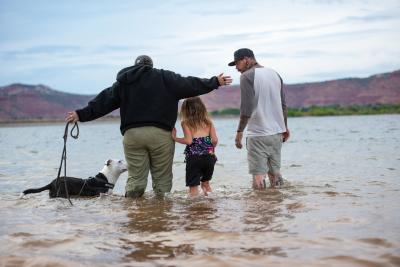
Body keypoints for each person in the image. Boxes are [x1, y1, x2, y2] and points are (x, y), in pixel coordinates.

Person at [66, 55, 232, 198]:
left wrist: (80, 114)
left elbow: (103, 102)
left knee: (136, 179)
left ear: (135, 66)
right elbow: (190, 84)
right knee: (162, 180)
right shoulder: (166, 78)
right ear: (151, 66)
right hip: (161, 135)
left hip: (133, 136)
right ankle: (161, 216)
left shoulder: (124, 82)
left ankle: (133, 214)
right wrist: (215, 81)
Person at [228, 48, 289, 189]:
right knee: (275, 173)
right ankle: (277, 204)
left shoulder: (247, 76)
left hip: (258, 134)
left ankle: (259, 208)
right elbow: (283, 105)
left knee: (258, 176)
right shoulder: (275, 74)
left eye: (237, 63)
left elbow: (246, 108)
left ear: (246, 59)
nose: (237, 68)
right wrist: (284, 128)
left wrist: (239, 132)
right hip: (276, 134)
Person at [172, 97, 218, 197]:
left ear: (186, 109)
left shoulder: (186, 123)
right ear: (202, 107)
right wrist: (209, 149)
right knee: (206, 184)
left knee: (193, 187)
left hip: (194, 158)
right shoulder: (208, 122)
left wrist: (175, 138)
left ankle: (194, 208)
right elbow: (214, 140)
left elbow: (188, 141)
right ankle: (210, 203)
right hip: (209, 157)